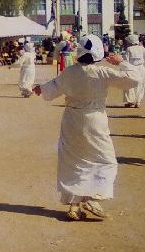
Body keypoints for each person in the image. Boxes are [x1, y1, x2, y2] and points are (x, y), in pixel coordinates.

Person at [33, 35, 139, 221]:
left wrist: (40, 88)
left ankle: (74, 205)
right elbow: (134, 79)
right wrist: (122, 62)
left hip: (71, 120)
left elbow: (51, 89)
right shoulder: (102, 72)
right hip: (94, 120)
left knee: (74, 162)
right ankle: (93, 197)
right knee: (105, 161)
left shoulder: (69, 72)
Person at [122, 34, 145, 108]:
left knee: (130, 84)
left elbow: (126, 60)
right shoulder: (141, 48)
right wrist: (142, 46)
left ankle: (130, 101)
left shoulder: (129, 49)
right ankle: (138, 101)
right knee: (140, 85)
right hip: (141, 68)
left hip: (132, 68)